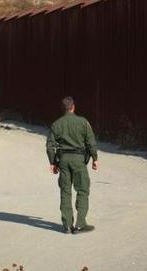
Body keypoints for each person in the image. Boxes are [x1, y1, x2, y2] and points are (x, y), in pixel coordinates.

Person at [45, 96, 99, 234]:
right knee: (82, 190)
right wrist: (95, 158)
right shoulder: (83, 122)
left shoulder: (56, 124)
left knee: (65, 191)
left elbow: (50, 145)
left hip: (63, 160)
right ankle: (80, 224)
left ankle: (67, 225)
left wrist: (52, 162)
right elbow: (91, 142)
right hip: (79, 160)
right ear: (73, 107)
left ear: (63, 109)